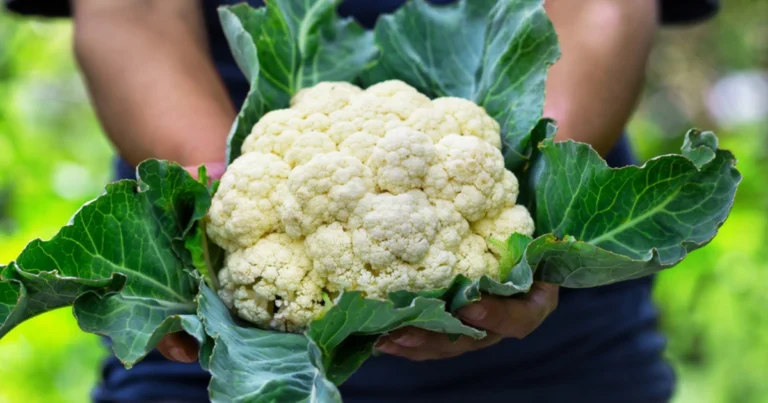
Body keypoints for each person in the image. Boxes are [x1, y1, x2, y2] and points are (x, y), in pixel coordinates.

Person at [5, 1, 720, 402]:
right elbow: (129, 10)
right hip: (214, 364)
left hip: (556, 361)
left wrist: (535, 194)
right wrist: (214, 190)